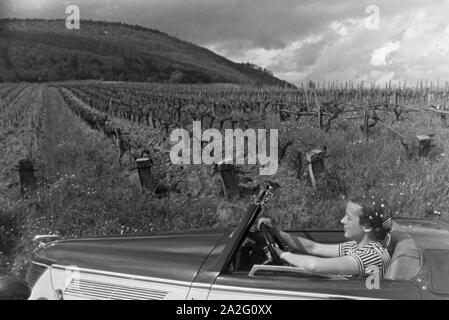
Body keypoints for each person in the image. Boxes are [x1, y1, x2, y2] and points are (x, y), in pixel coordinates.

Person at [258, 195, 392, 278]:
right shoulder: (355, 246)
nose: (342, 220)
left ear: (367, 226)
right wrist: (277, 232)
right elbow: (314, 247)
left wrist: (282, 255)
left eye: (349, 218)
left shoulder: (374, 255)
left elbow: (316, 266)